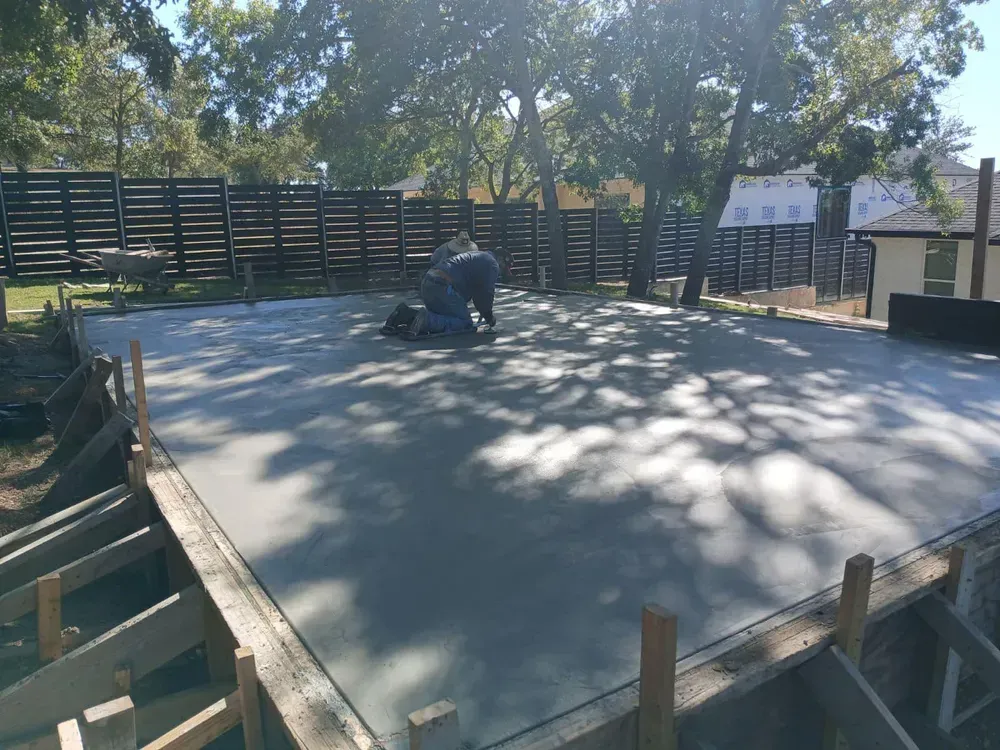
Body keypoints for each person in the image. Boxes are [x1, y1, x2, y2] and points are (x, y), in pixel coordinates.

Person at [410, 248, 513, 335]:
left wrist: (484, 310)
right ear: (500, 259)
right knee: (465, 323)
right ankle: (426, 321)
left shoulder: (480, 256)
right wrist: (489, 317)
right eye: (504, 268)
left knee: (447, 317)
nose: (501, 272)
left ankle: (407, 315)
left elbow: (479, 294)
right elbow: (486, 294)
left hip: (428, 283)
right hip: (442, 286)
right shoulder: (492, 264)